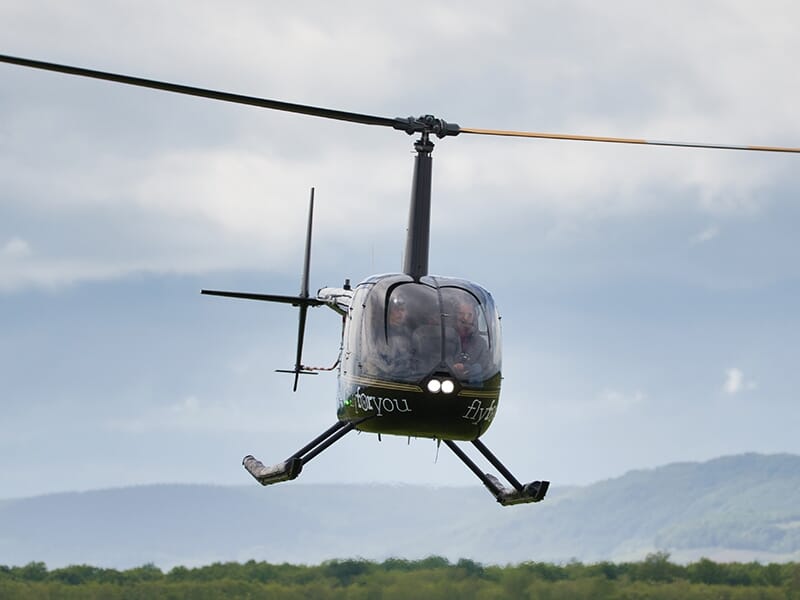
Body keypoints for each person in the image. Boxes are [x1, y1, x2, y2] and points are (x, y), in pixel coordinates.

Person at [449, 299, 488, 381]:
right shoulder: (445, 337)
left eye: (469, 315)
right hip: (445, 377)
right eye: (461, 314)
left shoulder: (480, 343)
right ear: (455, 316)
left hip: (468, 383)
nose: (465, 318)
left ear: (474, 318)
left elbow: (485, 365)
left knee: (477, 369)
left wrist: (466, 368)